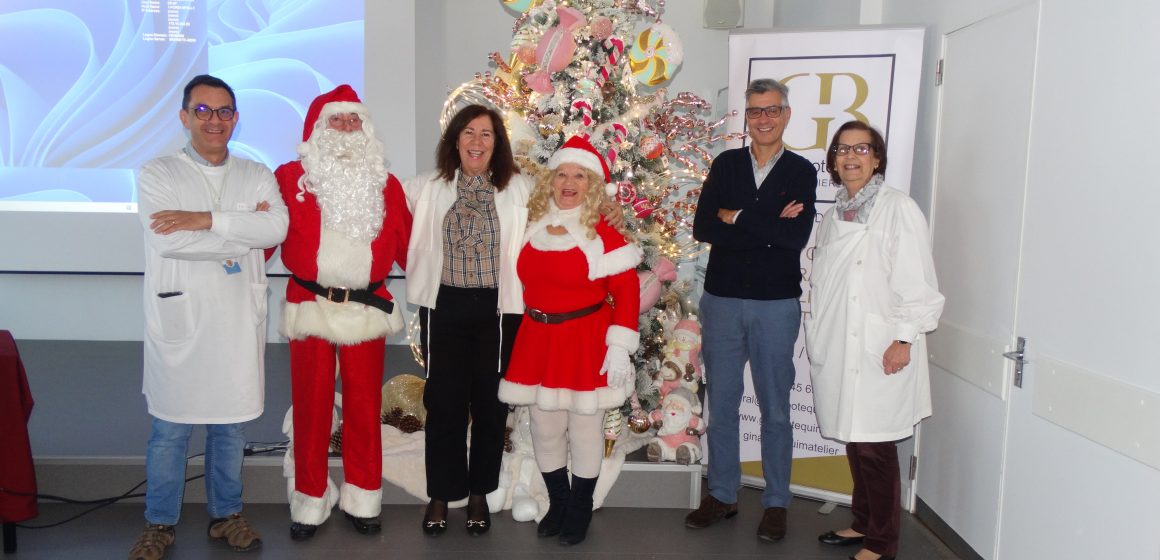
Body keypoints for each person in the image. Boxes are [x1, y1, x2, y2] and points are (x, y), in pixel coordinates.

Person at [130, 74, 288, 560]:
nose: (213, 121)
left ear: (235, 119)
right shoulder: (157, 173)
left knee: (230, 426)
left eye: (223, 112)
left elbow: (277, 226)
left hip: (236, 320)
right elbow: (168, 240)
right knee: (169, 431)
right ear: (184, 117)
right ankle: (159, 523)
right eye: (202, 111)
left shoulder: (255, 174)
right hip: (182, 318)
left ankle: (226, 515)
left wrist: (205, 220)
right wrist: (243, 233)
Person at [274, 85, 411, 541]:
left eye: (355, 120)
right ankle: (310, 499)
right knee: (311, 408)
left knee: (363, 406)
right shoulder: (290, 177)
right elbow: (265, 235)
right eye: (338, 120)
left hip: (366, 309)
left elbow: (412, 249)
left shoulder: (385, 184)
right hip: (310, 306)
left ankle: (363, 494)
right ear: (318, 128)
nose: (348, 128)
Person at [687, 78, 817, 542]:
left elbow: (793, 238)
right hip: (721, 301)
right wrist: (764, 222)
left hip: (776, 305)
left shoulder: (801, 171)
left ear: (786, 115)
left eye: (772, 110)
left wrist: (736, 216)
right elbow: (705, 225)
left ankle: (777, 502)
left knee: (776, 409)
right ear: (747, 117)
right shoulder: (725, 165)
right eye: (755, 111)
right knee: (721, 407)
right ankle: (722, 494)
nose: (763, 118)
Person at [808, 121, 943, 560]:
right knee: (855, 439)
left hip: (882, 344)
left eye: (861, 149)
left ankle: (883, 543)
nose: (851, 157)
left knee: (876, 446)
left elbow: (919, 284)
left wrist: (903, 339)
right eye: (842, 150)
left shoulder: (897, 208)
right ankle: (864, 523)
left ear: (877, 157)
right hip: (841, 344)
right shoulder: (833, 215)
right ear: (833, 161)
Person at [498, 135, 642, 546]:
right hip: (538, 339)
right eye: (562, 173)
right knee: (544, 428)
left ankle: (580, 508)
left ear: (592, 185)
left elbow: (628, 291)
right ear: (551, 179)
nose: (569, 182)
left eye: (580, 175)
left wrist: (619, 347)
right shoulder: (532, 221)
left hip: (585, 341)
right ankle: (558, 501)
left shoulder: (602, 231)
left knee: (583, 431)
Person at [403, 104, 530, 537]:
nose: (477, 142)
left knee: (491, 406)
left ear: (498, 144)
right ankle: (441, 494)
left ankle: (479, 493)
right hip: (444, 307)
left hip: (498, 311)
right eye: (469, 133)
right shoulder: (426, 187)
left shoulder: (520, 189)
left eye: (487, 134)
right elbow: (378, 208)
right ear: (455, 140)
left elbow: (568, 214)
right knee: (444, 405)